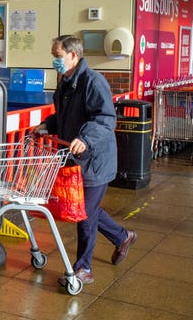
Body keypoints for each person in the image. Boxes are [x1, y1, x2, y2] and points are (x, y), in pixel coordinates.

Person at [33, 34, 137, 286]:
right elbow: (64, 116)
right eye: (53, 56)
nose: (54, 61)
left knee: (85, 216)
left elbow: (105, 118)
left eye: (57, 56)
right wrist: (47, 125)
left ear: (73, 55)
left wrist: (86, 138)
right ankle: (122, 236)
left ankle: (83, 269)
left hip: (95, 160)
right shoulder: (66, 82)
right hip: (76, 159)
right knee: (84, 209)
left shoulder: (93, 81)